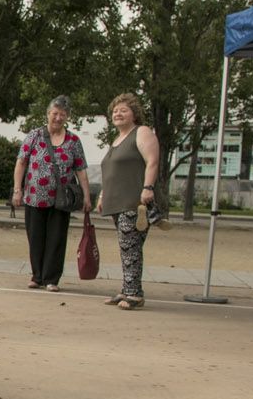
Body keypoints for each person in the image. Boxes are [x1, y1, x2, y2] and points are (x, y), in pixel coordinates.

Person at [12, 95, 91, 291]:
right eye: (54, 113)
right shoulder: (34, 135)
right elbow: (21, 162)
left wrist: (87, 196)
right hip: (34, 195)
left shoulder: (73, 140)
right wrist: (17, 190)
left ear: (67, 117)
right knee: (36, 236)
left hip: (61, 198)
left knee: (57, 238)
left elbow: (80, 170)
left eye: (62, 114)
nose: (58, 118)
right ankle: (37, 276)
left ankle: (51, 279)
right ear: (48, 114)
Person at [96, 93, 161, 310]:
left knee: (131, 246)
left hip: (134, 201)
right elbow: (111, 171)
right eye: (115, 111)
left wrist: (148, 187)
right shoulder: (117, 140)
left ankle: (134, 293)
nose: (118, 113)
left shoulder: (141, 132)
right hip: (117, 202)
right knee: (127, 247)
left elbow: (152, 161)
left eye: (123, 110)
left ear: (135, 114)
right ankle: (127, 288)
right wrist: (103, 195)